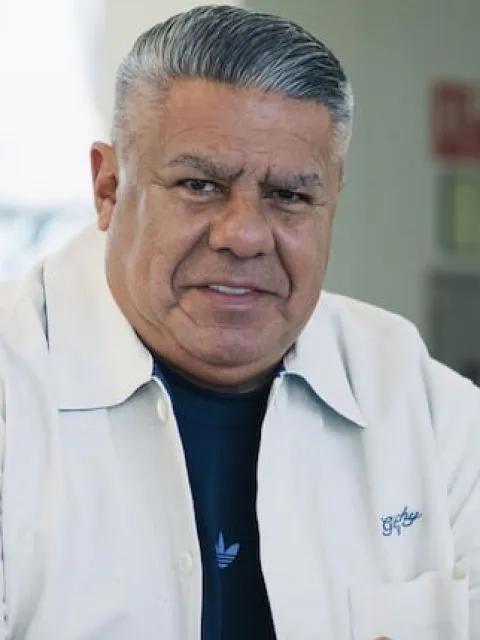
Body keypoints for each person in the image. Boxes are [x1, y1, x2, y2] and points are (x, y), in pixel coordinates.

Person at [0, 5, 479, 639]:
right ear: (109, 187)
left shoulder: (425, 408)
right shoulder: (14, 389)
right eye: (199, 185)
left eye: (290, 196)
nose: (245, 235)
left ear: (333, 198)